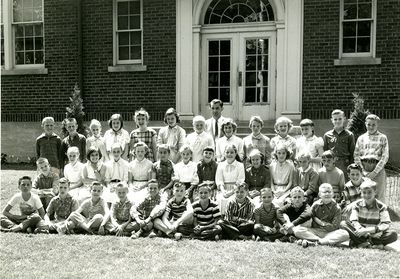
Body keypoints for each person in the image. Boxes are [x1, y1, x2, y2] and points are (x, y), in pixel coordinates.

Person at [340, 180, 397, 249]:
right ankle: (371, 244)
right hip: (361, 233)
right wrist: (363, 231)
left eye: (369, 192)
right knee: (343, 224)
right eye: (364, 193)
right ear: (361, 193)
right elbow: (354, 220)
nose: (366, 195)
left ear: (375, 192)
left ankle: (362, 243)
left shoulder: (381, 206)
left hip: (375, 233)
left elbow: (385, 224)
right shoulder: (357, 205)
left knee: (393, 234)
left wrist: (370, 231)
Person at [293, 183, 349, 247]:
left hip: (329, 233)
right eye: (324, 192)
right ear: (319, 194)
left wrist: (320, 222)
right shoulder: (315, 205)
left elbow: (334, 227)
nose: (327, 194)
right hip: (315, 232)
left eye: (329, 192)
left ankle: (315, 242)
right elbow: (308, 216)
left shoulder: (337, 208)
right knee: (297, 230)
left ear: (332, 194)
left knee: (345, 234)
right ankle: (322, 241)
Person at [354, 114, 389, 203]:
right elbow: (356, 155)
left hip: (377, 167)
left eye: (373, 124)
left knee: (379, 195)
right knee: (364, 194)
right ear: (365, 124)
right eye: (369, 124)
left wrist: (375, 172)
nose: (371, 127)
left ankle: (380, 216)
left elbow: (385, 156)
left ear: (377, 125)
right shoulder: (361, 138)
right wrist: (362, 171)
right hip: (364, 167)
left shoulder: (383, 138)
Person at [323, 109, 355, 179]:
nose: (337, 121)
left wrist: (351, 167)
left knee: (344, 184)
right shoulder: (327, 135)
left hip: (344, 164)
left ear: (344, 119)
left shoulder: (349, 135)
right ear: (332, 120)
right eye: (335, 119)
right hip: (331, 164)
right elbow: (325, 152)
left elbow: (352, 152)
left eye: (340, 119)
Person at [215, 144, 245, 215]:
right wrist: (223, 191)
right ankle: (223, 219)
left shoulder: (240, 165)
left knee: (233, 199)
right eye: (227, 152)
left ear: (235, 154)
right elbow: (219, 180)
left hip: (236, 189)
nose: (229, 154)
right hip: (223, 189)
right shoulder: (220, 165)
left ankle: (233, 219)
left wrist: (232, 192)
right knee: (221, 199)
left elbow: (240, 180)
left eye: (232, 152)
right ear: (224, 153)